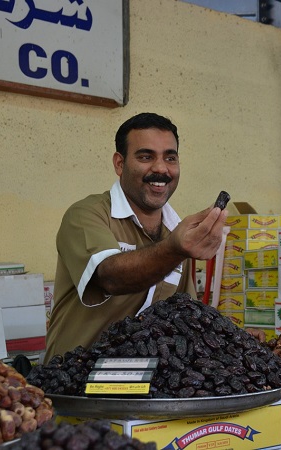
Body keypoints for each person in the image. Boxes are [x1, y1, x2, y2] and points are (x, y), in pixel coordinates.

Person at [44, 112, 228, 360]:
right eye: (145, 156)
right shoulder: (86, 215)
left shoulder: (176, 233)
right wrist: (174, 249)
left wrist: (233, 339)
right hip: (74, 382)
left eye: (170, 158)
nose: (161, 169)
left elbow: (188, 315)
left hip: (138, 386)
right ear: (120, 164)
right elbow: (110, 277)